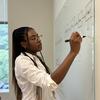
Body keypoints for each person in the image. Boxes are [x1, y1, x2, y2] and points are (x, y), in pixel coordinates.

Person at [12, 26, 82, 100]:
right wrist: (73, 52)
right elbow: (49, 83)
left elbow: (47, 91)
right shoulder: (22, 61)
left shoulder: (36, 59)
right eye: (33, 38)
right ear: (23, 44)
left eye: (38, 36)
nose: (38, 40)